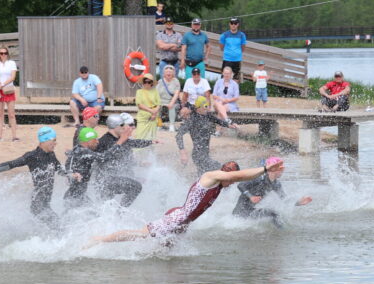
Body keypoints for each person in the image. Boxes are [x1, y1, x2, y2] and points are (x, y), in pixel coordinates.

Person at [91, 159, 282, 244]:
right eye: (230, 177)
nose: (232, 182)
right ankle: (99, 240)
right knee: (142, 234)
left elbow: (238, 177)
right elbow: (241, 176)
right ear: (225, 172)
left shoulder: (220, 184)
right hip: (178, 217)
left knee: (168, 250)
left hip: (183, 221)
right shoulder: (211, 176)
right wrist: (265, 169)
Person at [0, 127, 77, 230]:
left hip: (46, 204)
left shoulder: (51, 154)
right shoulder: (32, 156)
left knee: (54, 230)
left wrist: (70, 174)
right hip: (38, 205)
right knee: (59, 228)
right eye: (54, 140)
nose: (56, 143)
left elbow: (58, 169)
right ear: (45, 140)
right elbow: (11, 164)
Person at [232, 157, 312, 227]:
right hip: (240, 211)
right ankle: (282, 232)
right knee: (273, 213)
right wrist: (251, 197)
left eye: (282, 169)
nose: (282, 171)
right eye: (280, 169)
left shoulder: (276, 184)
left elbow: (284, 199)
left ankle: (282, 232)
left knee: (274, 214)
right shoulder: (259, 178)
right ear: (272, 169)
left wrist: (298, 203)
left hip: (250, 210)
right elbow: (241, 185)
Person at [95, 113, 155, 206]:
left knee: (108, 207)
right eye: (122, 125)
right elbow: (101, 158)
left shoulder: (120, 139)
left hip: (113, 178)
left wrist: (151, 142)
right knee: (136, 187)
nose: (124, 127)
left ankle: (119, 213)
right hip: (105, 180)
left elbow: (133, 143)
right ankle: (121, 212)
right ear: (115, 126)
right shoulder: (104, 141)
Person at [175, 96, 233, 176]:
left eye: (208, 106)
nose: (207, 108)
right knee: (221, 169)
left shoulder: (207, 116)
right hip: (198, 155)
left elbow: (218, 121)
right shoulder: (192, 120)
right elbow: (178, 135)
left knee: (203, 176)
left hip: (205, 154)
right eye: (205, 106)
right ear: (198, 108)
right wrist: (182, 152)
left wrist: (230, 125)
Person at [0, 46, 18, 142]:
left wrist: (1, 85)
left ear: (8, 53)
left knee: (11, 114)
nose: (3, 55)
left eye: (5, 53)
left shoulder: (11, 63)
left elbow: (13, 77)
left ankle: (14, 136)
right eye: (1, 53)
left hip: (8, 89)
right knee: (0, 114)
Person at [134, 74, 161, 141]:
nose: (146, 83)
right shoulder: (139, 92)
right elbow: (139, 104)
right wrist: (151, 111)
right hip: (143, 116)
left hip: (153, 116)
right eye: (145, 81)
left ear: (151, 83)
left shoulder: (155, 91)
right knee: (139, 135)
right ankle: (138, 151)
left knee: (151, 136)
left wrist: (154, 114)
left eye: (148, 82)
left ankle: (150, 151)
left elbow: (159, 104)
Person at [157, 64, 182, 131]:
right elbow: (156, 94)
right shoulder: (160, 81)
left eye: (170, 72)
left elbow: (176, 94)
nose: (168, 73)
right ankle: (159, 124)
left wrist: (171, 103)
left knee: (172, 106)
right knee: (157, 106)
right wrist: (157, 103)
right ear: (164, 74)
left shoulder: (176, 81)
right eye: (167, 72)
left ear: (173, 73)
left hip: (171, 101)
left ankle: (171, 125)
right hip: (161, 100)